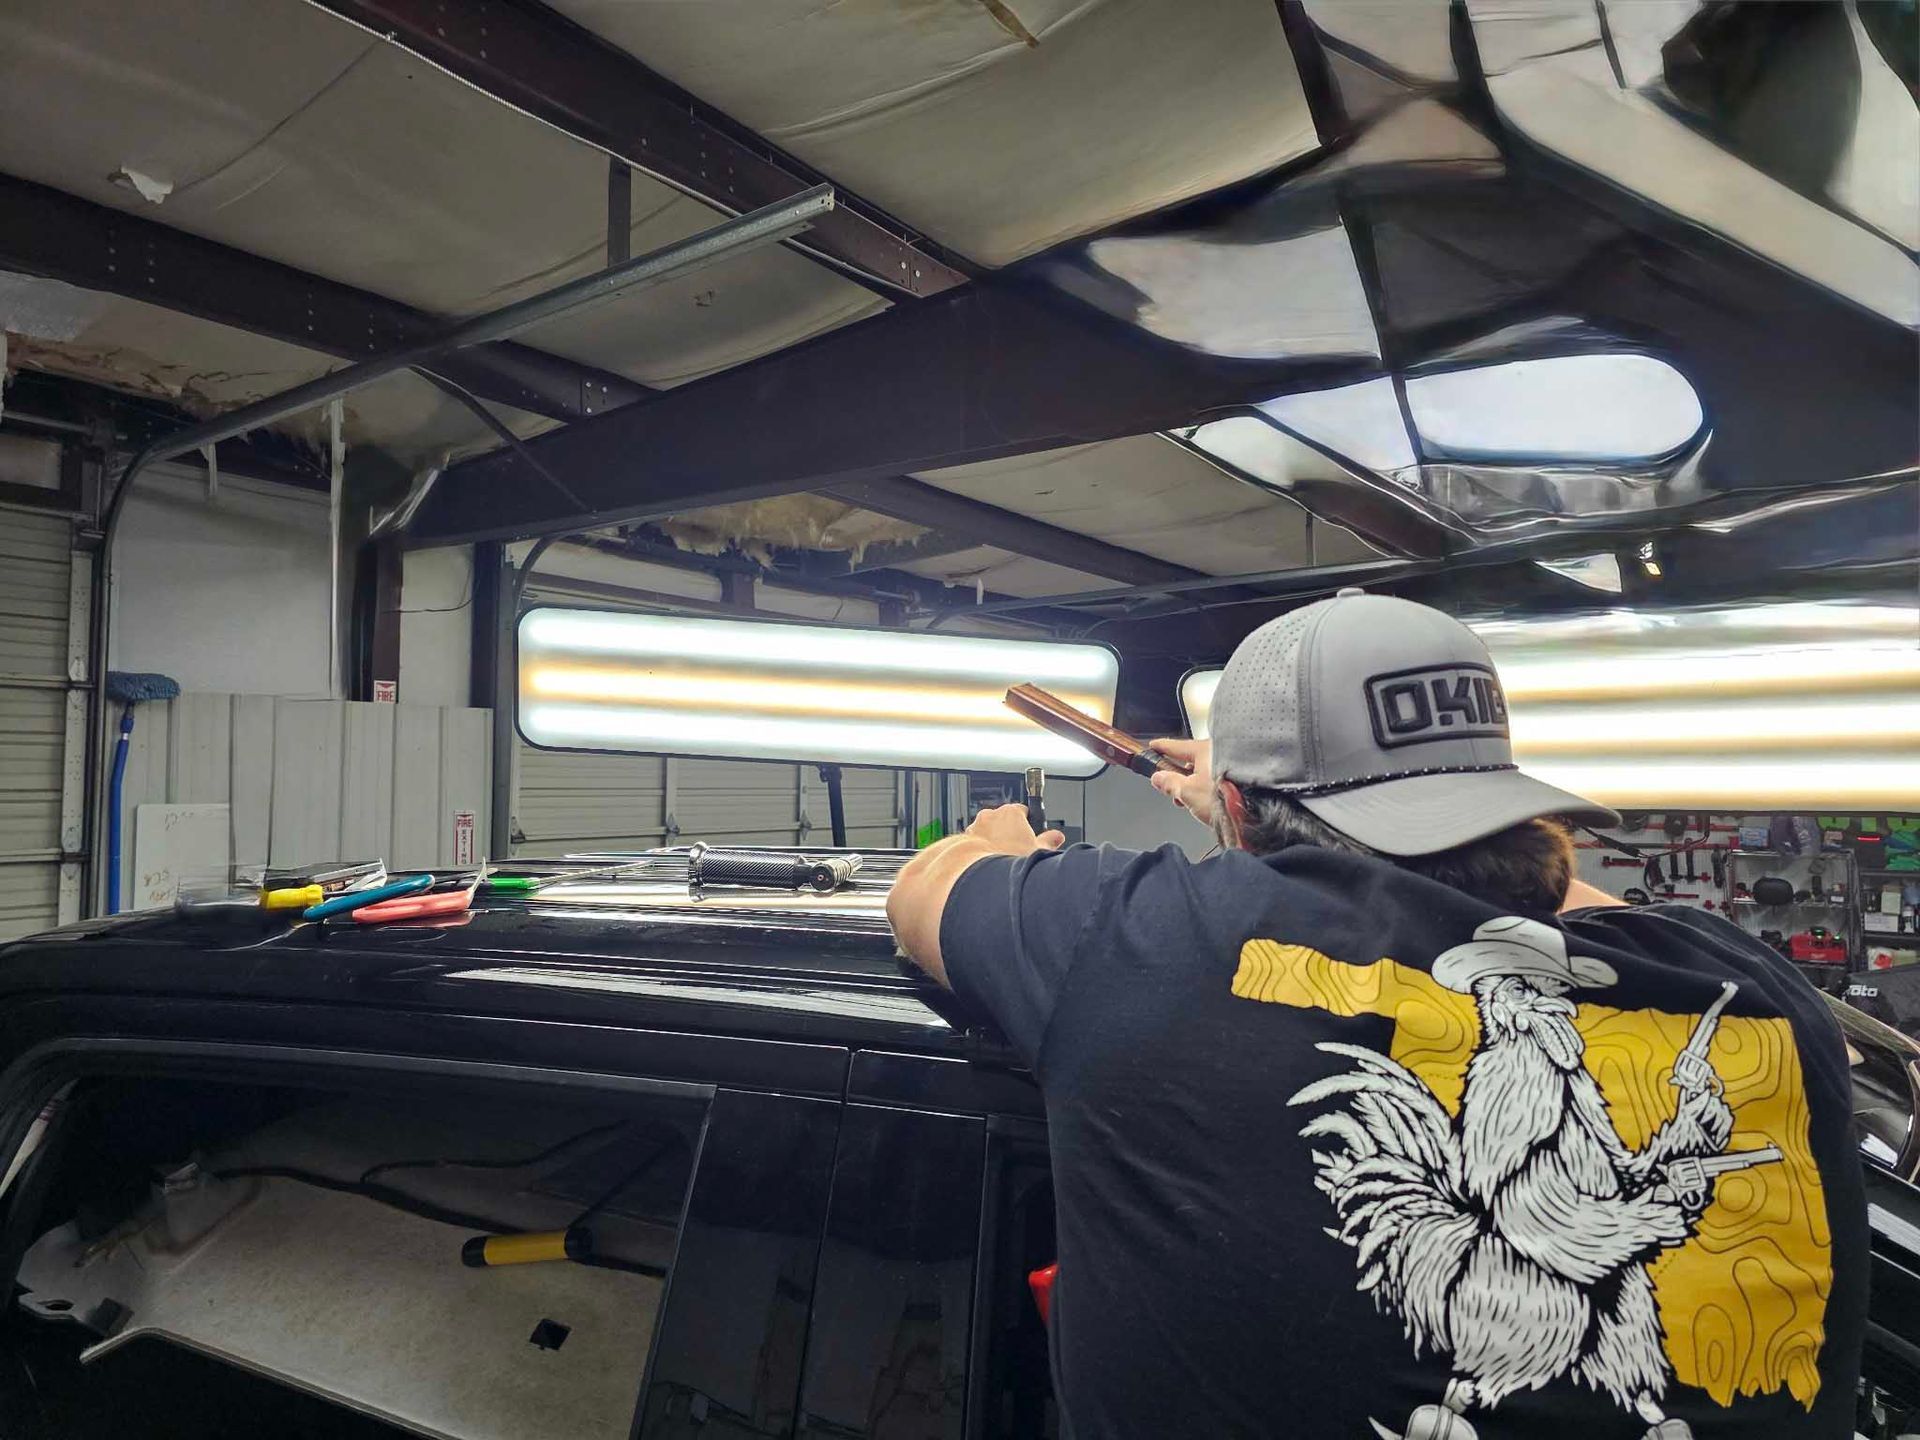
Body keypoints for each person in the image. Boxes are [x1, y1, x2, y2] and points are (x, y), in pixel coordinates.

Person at [887, 589, 1864, 1440]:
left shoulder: (1147, 951)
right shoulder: (1761, 996)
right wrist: (1266, 822)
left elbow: (930, 887)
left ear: (1234, 805)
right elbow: (1529, 903)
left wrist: (1013, 839)